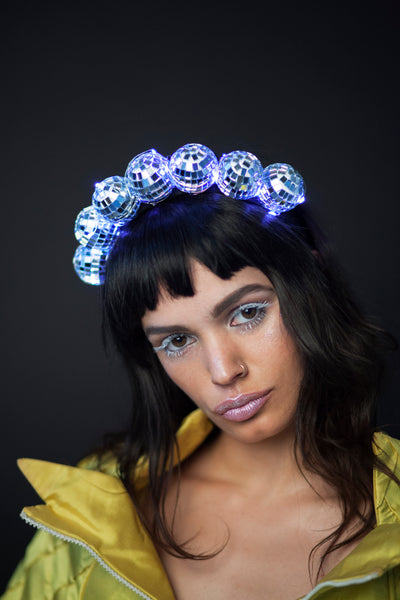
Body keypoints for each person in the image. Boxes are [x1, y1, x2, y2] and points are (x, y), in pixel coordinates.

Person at [2, 144, 400, 600]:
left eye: (247, 313)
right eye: (177, 341)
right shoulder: (92, 509)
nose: (223, 371)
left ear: (310, 288)